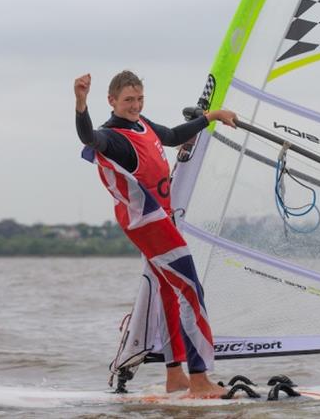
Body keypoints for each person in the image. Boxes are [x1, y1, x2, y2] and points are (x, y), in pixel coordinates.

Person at [74, 70, 236, 398]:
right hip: (148, 223)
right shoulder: (113, 136)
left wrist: (212, 116)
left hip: (162, 219)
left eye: (139, 99)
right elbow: (88, 138)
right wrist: (80, 103)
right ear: (112, 101)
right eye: (128, 100)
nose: (135, 105)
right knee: (190, 289)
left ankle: (175, 376)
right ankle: (201, 380)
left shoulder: (141, 124)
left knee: (168, 294)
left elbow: (174, 135)